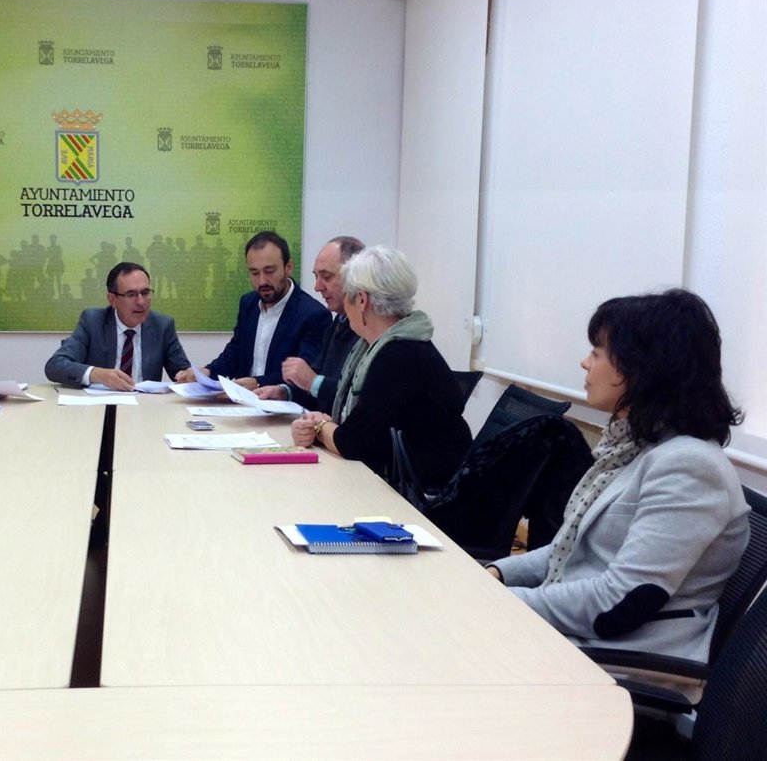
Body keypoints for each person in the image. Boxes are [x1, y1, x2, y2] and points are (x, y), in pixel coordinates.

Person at [486, 290, 749, 662]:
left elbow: (619, 603)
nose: (584, 362)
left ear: (640, 368)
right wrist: (498, 573)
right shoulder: (633, 446)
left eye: (597, 352)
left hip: (620, 660)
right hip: (576, 637)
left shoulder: (689, 466)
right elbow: (569, 551)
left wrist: (500, 603)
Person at [292, 246, 471, 492]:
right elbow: (362, 427)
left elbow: (352, 444)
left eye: (347, 296)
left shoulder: (397, 356)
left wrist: (320, 427)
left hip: (427, 496)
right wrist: (321, 424)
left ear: (362, 300)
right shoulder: (387, 346)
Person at [182, 231, 329, 390]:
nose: (262, 281)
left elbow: (305, 376)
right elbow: (236, 352)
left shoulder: (313, 315)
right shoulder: (248, 303)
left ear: (288, 267)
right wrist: (207, 372)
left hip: (285, 404)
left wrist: (258, 382)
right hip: (242, 402)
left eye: (269, 271)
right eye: (254, 273)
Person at [256, 236, 364, 412]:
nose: (317, 287)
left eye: (326, 277)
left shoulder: (369, 331)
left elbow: (359, 397)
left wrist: (313, 382)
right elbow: (316, 386)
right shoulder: (338, 322)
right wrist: (285, 392)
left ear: (355, 277)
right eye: (316, 276)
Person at [45, 262, 190, 390]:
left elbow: (183, 373)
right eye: (131, 294)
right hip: (99, 406)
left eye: (145, 293)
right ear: (112, 299)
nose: (141, 302)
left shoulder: (162, 326)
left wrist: (189, 376)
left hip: (145, 406)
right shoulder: (93, 321)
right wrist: (97, 374)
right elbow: (55, 365)